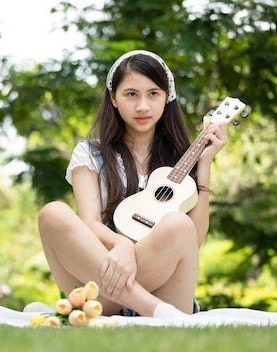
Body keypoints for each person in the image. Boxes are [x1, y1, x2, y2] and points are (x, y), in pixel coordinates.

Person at [36, 50, 228, 318]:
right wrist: (121, 245)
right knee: (52, 213)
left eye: (153, 94)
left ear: (166, 98)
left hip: (165, 289)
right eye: (131, 94)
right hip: (102, 287)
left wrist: (204, 164)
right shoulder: (90, 154)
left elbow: (190, 242)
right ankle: (151, 309)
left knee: (177, 224)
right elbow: (89, 222)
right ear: (113, 97)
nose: (142, 107)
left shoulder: (181, 159)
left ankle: (149, 305)